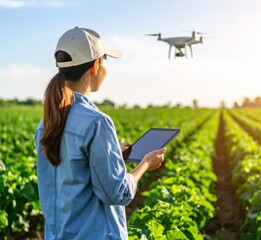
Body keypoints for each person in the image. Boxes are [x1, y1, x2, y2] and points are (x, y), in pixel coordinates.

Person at [34, 26, 167, 240]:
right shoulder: (97, 123)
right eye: (105, 59)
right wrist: (145, 164)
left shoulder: (46, 122)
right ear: (95, 65)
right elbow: (118, 193)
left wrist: (113, 154)